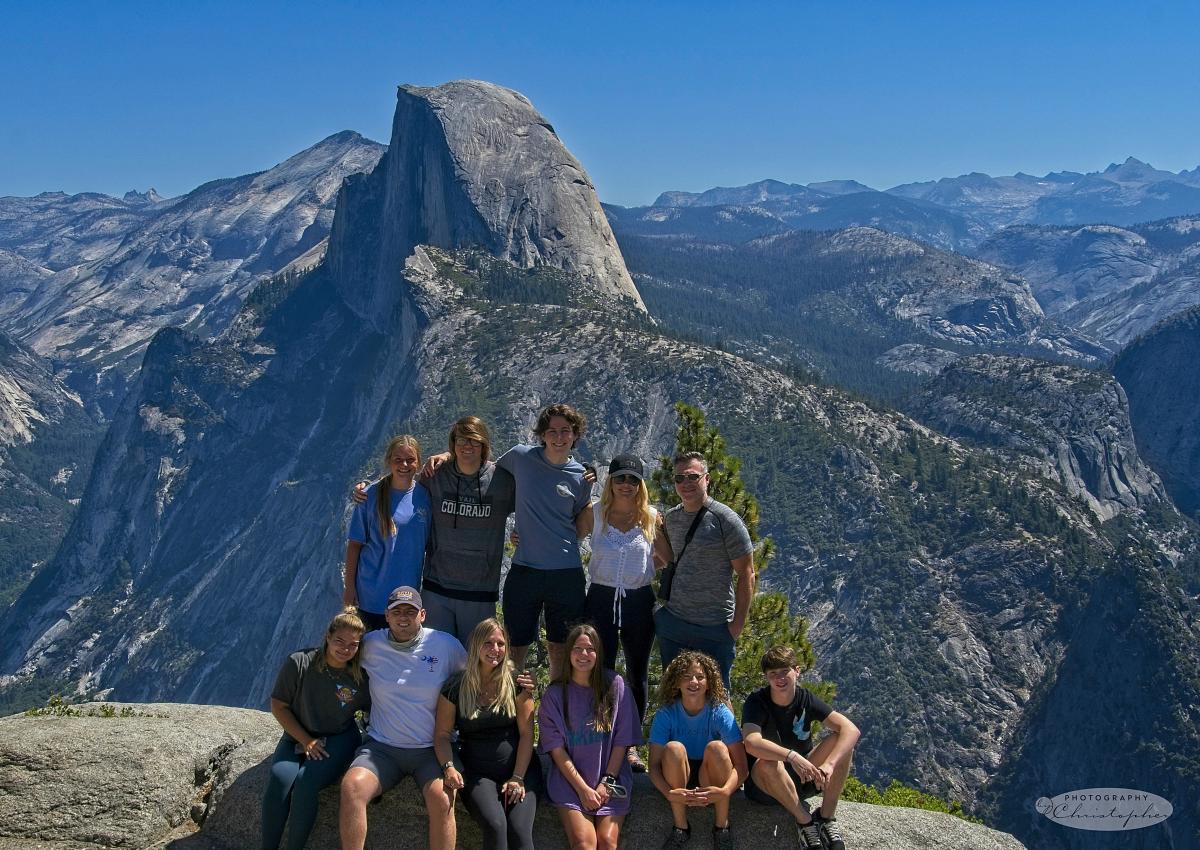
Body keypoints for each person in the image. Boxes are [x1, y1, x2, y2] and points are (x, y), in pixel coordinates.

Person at [424, 404, 593, 679]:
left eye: (565, 431)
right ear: (542, 434)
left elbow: (583, 517)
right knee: (514, 647)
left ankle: (555, 703)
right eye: (552, 431)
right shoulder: (520, 457)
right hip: (524, 570)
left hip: (564, 572)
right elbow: (479, 464)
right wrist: (446, 455)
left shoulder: (582, 477)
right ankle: (511, 700)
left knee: (560, 648)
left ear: (575, 435)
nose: (559, 437)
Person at [352, 417, 516, 646]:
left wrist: (522, 533)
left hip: (480, 593)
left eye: (474, 440)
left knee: (476, 660)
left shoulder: (503, 481)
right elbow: (402, 482)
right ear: (453, 444)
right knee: (433, 659)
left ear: (484, 444)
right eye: (461, 440)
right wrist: (367, 488)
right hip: (436, 592)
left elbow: (532, 503)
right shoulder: (436, 476)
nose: (467, 446)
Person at [338, 586, 467, 850]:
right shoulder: (371, 644)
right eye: (397, 612)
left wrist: (518, 683)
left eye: (410, 611)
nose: (403, 617)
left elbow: (477, 675)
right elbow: (336, 657)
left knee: (444, 799)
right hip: (382, 748)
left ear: (423, 615)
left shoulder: (445, 645)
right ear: (387, 616)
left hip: (431, 749)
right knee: (352, 788)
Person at [576, 452, 672, 771]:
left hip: (638, 600)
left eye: (633, 479)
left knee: (636, 674)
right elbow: (566, 539)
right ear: (611, 482)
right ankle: (600, 737)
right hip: (600, 598)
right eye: (620, 478)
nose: (626, 484)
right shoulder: (595, 513)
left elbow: (667, 556)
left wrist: (643, 569)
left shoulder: (651, 517)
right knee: (599, 670)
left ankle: (629, 745)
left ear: (640, 484)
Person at [261, 608, 370, 850]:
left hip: (339, 737)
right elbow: (279, 705)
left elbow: (375, 711)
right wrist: (306, 740)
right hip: (297, 734)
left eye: (353, 645)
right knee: (280, 779)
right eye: (339, 640)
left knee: (306, 783)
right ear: (327, 636)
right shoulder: (299, 662)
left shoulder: (360, 678)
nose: (345, 649)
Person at [434, 617, 541, 850]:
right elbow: (442, 734)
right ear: (475, 645)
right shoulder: (455, 686)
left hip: (521, 770)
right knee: (495, 825)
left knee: (519, 831)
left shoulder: (517, 682)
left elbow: (527, 734)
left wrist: (518, 778)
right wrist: (448, 766)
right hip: (477, 772)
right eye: (488, 643)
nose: (495, 649)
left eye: (500, 644)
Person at [741, 645, 859, 850]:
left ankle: (826, 817)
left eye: (784, 671)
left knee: (842, 745)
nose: (779, 678)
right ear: (766, 677)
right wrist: (792, 756)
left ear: (797, 670)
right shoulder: (756, 702)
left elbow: (851, 730)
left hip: (804, 778)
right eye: (773, 673)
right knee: (770, 762)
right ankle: (804, 821)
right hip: (766, 787)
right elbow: (751, 742)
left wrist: (829, 765)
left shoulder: (806, 699)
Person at [655, 451, 754, 688]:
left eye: (693, 476)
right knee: (674, 694)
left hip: (714, 627)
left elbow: (747, 573)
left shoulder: (725, 520)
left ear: (707, 479)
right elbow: (668, 559)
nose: (686, 483)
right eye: (679, 478)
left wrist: (736, 626)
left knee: (718, 697)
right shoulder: (672, 518)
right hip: (675, 624)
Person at [538, 623, 641, 850]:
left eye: (590, 649)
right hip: (570, 783)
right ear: (568, 653)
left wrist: (607, 782)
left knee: (607, 842)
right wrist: (582, 789)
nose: (583, 654)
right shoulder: (554, 695)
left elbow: (623, 740)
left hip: (611, 779)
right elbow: (556, 750)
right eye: (577, 648)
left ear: (598, 653)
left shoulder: (616, 685)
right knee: (584, 844)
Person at [649, 651, 747, 850]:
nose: (693, 682)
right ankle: (681, 828)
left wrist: (725, 791)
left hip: (710, 775)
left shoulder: (719, 712)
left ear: (709, 683)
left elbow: (742, 766)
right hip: (679, 774)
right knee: (674, 748)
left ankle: (721, 827)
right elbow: (654, 766)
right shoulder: (666, 713)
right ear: (677, 682)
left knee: (717, 747)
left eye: (700, 677)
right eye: (686, 676)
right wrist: (669, 793)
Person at [344, 436, 431, 631]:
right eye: (398, 459)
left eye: (410, 459)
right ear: (389, 461)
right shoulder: (368, 496)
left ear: (418, 462)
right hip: (371, 597)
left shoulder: (425, 496)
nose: (404, 465)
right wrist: (349, 588)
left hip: (407, 600)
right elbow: (354, 545)